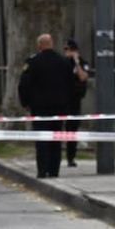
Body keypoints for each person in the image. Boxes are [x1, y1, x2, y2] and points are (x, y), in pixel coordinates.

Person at [17, 33, 75, 179]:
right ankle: (54, 170)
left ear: (39, 46)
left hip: (40, 107)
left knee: (42, 139)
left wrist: (25, 103)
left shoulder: (33, 62)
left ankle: (42, 170)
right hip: (59, 107)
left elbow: (24, 84)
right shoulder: (64, 62)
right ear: (52, 44)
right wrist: (67, 103)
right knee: (56, 139)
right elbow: (71, 85)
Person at [63, 38, 92, 168]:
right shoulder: (63, 63)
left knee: (72, 129)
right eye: (66, 50)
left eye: (70, 50)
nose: (68, 52)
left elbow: (83, 77)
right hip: (62, 99)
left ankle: (71, 157)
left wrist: (76, 62)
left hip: (75, 100)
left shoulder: (82, 63)